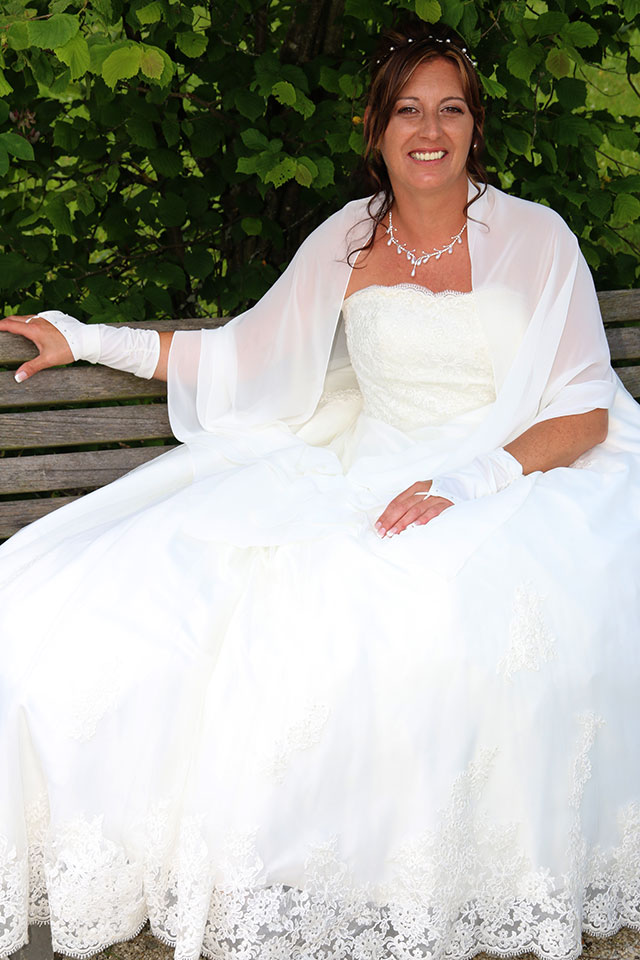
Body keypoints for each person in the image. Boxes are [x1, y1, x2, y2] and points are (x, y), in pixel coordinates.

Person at [1, 22, 640, 960]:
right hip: (371, 468)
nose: (431, 131)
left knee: (453, 614)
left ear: (475, 125)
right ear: (376, 128)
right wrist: (89, 337)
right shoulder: (347, 239)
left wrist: (467, 483)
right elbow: (240, 353)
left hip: (517, 473)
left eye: (451, 109)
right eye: (408, 110)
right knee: (177, 594)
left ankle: (440, 876)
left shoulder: (537, 237)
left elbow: (583, 409)